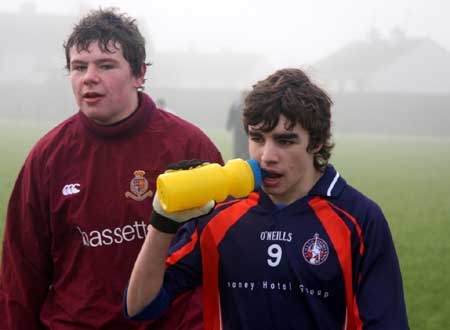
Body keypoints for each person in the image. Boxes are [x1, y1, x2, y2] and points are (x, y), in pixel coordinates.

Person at [124, 68, 410, 329]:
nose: (266, 156)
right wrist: (162, 223)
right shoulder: (218, 211)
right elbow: (141, 306)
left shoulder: (359, 218)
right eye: (257, 138)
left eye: (285, 141)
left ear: (317, 141)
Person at [0, 8, 222, 329]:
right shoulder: (47, 157)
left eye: (105, 65)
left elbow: (225, 253)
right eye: (78, 67)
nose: (89, 77)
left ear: (139, 74)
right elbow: (20, 270)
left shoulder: (188, 147)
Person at [226, 90, 249, 159]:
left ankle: (247, 160)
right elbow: (231, 115)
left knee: (246, 147)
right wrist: (229, 125)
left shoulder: (251, 104)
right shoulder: (236, 105)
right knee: (237, 147)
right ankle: (237, 160)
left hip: (247, 130)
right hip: (238, 130)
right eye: (243, 95)